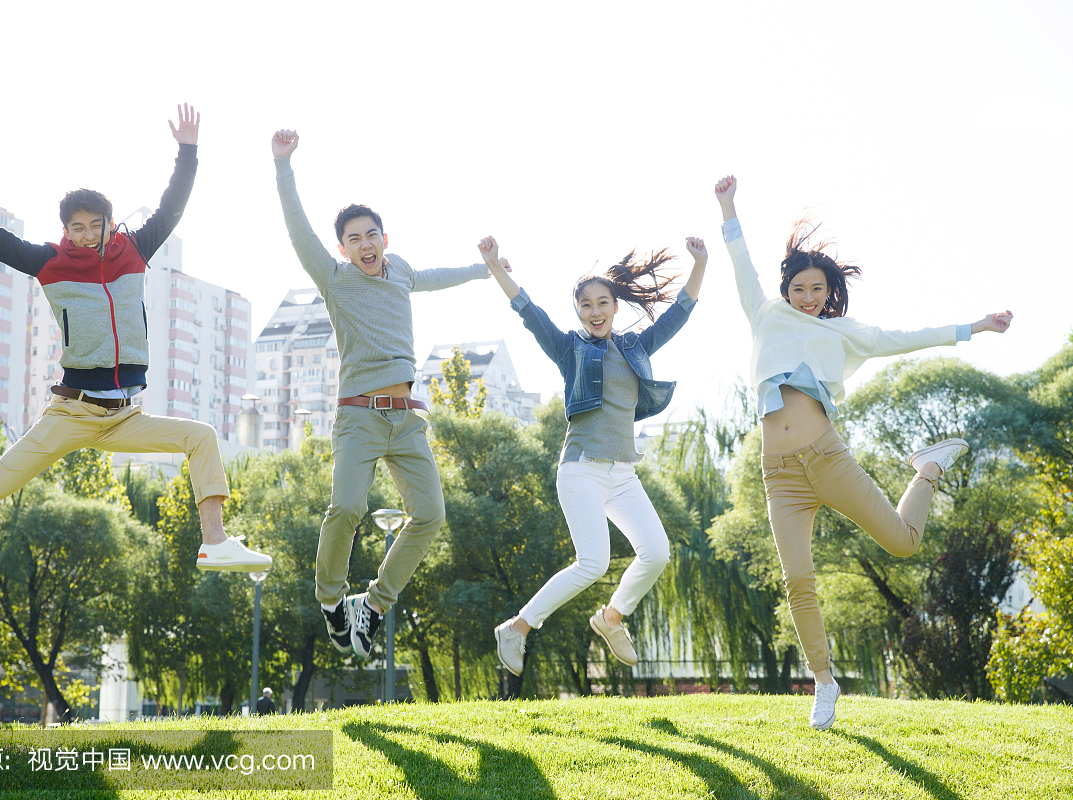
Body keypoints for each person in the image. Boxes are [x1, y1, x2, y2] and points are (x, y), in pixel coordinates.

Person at [0, 105, 270, 573]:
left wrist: (187, 151)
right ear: (65, 230)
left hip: (125, 415)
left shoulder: (136, 251)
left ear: (109, 222)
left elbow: (172, 206)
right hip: (74, 411)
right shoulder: (49, 263)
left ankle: (215, 542)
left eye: (95, 225)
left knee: (201, 436)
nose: (86, 236)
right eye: (76, 228)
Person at [713, 174, 1013, 730]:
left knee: (901, 543)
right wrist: (728, 206)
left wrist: (975, 327)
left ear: (830, 293)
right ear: (787, 290)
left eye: (817, 290)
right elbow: (741, 264)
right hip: (779, 476)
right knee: (797, 579)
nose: (808, 298)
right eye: (799, 288)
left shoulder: (844, 333)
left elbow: (906, 336)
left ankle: (927, 469)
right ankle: (824, 684)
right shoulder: (764, 313)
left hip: (827, 459)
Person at [270, 129, 493, 660]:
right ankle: (332, 604)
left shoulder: (402, 272)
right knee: (346, 507)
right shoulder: (334, 278)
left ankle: (371, 606)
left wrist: (487, 270)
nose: (365, 245)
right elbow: (300, 232)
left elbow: (439, 275)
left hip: (407, 420)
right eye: (354, 239)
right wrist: (284, 166)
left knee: (431, 515)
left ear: (384, 239)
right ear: (344, 248)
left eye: (372, 235)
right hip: (359, 418)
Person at [477, 233, 708, 676]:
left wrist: (700, 263)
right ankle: (519, 627)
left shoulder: (636, 346)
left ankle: (612, 617)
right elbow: (529, 313)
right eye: (587, 305)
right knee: (593, 562)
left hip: (623, 474)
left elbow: (680, 311)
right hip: (580, 469)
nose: (596, 311)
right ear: (578, 311)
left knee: (656, 552)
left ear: (616, 307)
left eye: (603, 303)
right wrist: (495, 268)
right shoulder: (570, 348)